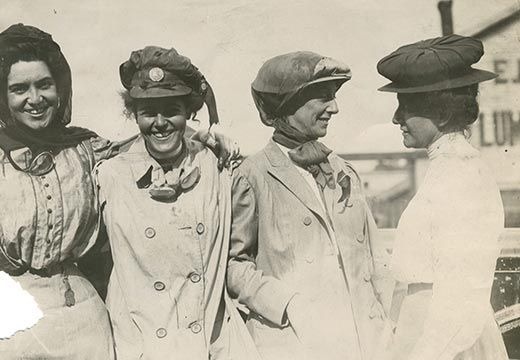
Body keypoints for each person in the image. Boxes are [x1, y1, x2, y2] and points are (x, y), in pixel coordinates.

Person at [0, 24, 237, 359]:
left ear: (60, 88)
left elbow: (149, 145)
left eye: (45, 85)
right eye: (19, 89)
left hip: (83, 319)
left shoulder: (85, 150)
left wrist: (203, 139)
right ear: (3, 96)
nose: (35, 99)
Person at [95, 46, 260, 360]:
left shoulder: (217, 167)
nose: (160, 122)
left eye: (171, 109)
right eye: (147, 112)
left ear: (188, 112)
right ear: (134, 115)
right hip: (141, 348)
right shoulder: (110, 176)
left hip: (212, 345)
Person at [227, 51, 390, 360]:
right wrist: (287, 304)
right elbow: (234, 265)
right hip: (292, 344)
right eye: (322, 97)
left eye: (334, 97)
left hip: (361, 343)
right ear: (286, 104)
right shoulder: (252, 175)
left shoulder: (343, 170)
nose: (335, 107)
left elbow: (374, 257)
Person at [377, 34, 509, 360]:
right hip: (425, 333)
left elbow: (461, 297)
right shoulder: (445, 168)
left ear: (442, 113)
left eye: (406, 106)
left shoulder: (462, 176)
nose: (397, 118)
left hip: (447, 343)